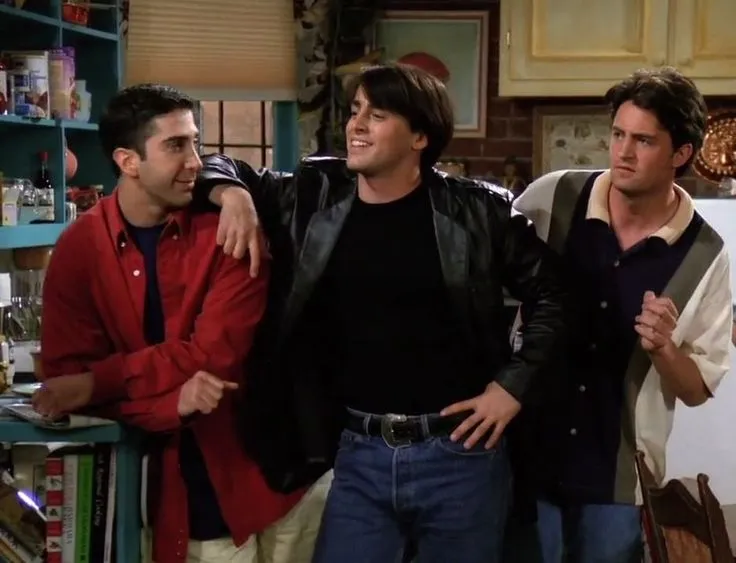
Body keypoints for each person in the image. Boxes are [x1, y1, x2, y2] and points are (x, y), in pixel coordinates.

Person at [193, 62, 567, 563]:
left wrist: (512, 387)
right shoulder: (313, 192)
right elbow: (215, 164)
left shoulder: (479, 211)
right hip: (358, 452)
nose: (357, 125)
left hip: (460, 454)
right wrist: (234, 195)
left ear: (420, 137)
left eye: (378, 114)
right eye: (355, 111)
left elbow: (558, 295)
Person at [32, 84, 327, 563]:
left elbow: (214, 359)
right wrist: (172, 403)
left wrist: (100, 384)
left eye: (195, 142)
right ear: (128, 161)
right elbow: (69, 383)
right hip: (166, 504)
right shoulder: (79, 249)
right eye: (175, 145)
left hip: (276, 482)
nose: (195, 161)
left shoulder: (227, 229)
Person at [510, 66, 732, 562]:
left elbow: (696, 390)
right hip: (524, 455)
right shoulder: (552, 198)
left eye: (644, 141)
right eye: (618, 135)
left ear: (681, 154)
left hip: (617, 479)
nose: (623, 153)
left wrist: (664, 348)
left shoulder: (705, 253)